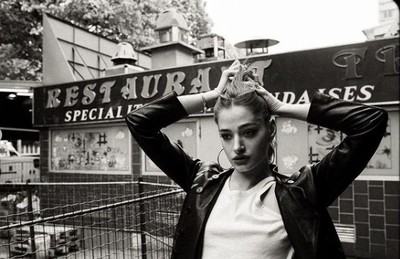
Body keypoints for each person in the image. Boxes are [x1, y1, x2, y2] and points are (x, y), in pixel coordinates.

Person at [125, 60, 388, 259]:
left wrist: (282, 108)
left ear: (270, 130)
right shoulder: (201, 184)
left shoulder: (302, 193)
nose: (237, 146)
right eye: (226, 136)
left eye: (249, 132)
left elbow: (370, 123)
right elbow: (140, 122)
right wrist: (211, 96)